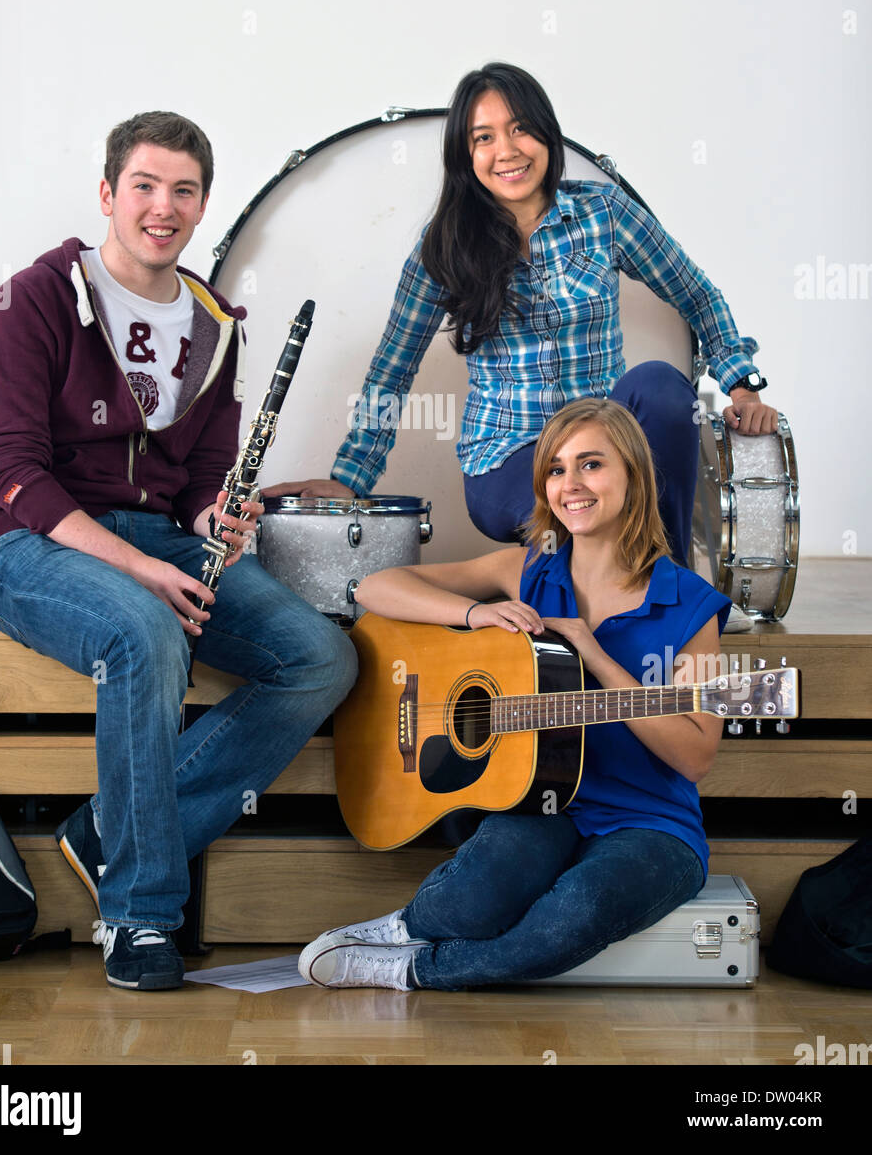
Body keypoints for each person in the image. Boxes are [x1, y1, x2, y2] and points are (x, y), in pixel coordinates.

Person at [0, 111, 357, 991]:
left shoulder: (216, 323)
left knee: (321, 659)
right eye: (144, 185)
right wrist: (143, 567)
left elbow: (197, 481)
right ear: (108, 194)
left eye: (183, 190)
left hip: (161, 544)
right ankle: (139, 915)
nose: (163, 206)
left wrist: (216, 512)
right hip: (35, 544)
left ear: (202, 204)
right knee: (143, 633)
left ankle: (115, 826)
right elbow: (13, 472)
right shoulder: (33, 300)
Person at [264, 62, 778, 628]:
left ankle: (674, 595)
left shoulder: (603, 214)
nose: (506, 150)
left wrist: (740, 385)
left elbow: (698, 295)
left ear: (546, 134)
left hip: (605, 443)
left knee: (659, 386)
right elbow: (391, 372)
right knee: (576, 508)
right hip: (508, 460)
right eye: (482, 138)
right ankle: (606, 602)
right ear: (467, 156)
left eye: (519, 129)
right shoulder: (443, 249)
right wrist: (350, 478)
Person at [298, 397, 731, 990]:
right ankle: (410, 925)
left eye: (591, 465)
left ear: (634, 474)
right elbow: (376, 587)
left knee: (578, 911)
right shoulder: (527, 567)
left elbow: (696, 755)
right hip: (544, 800)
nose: (570, 484)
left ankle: (414, 970)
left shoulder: (689, 603)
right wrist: (475, 614)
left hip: (652, 825)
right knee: (474, 896)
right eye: (555, 469)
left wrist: (598, 657)